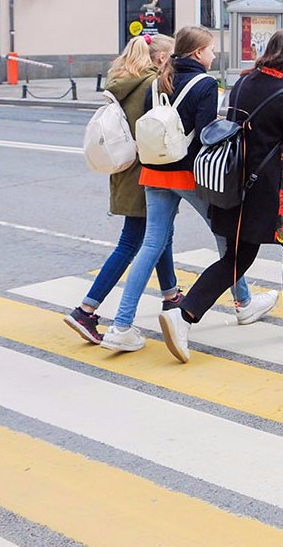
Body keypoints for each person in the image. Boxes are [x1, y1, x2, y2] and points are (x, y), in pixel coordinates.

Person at [158, 31, 283, 363]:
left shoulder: (244, 82)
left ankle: (183, 314)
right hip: (275, 188)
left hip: (237, 181)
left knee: (238, 257)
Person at [92, 27, 270, 352]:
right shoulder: (204, 84)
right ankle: (243, 303)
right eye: (211, 49)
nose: (214, 54)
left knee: (150, 246)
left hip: (153, 172)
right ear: (198, 52)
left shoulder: (159, 80)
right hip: (187, 175)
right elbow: (205, 135)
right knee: (227, 238)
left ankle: (121, 326)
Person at [63, 34, 180, 345]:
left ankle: (171, 296)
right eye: (173, 58)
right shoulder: (151, 85)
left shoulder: (125, 80)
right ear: (160, 59)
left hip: (125, 171)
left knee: (158, 235)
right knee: (133, 242)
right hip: (146, 171)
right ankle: (86, 310)